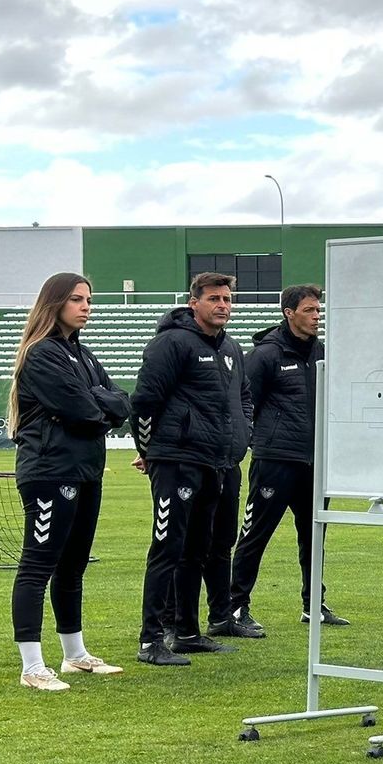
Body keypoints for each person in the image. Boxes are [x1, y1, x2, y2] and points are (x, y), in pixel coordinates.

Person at [6, 272, 130, 690]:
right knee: (37, 567)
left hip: (85, 470)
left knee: (73, 566)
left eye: (89, 300)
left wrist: (98, 403)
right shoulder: (41, 354)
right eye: (77, 299)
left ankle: (75, 656)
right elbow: (85, 410)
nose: (86, 307)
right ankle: (32, 667)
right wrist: (96, 404)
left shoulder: (84, 355)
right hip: (49, 472)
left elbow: (119, 404)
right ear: (55, 302)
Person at [131, 272, 253, 667]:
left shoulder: (231, 348)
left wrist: (243, 432)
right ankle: (151, 641)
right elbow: (144, 401)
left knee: (198, 551)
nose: (223, 305)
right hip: (177, 462)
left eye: (228, 299)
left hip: (216, 463)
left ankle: (186, 633)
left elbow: (244, 399)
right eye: (215, 298)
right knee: (167, 548)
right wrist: (150, 452)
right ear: (194, 302)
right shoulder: (171, 343)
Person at [225, 285, 349, 637]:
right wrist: (253, 442)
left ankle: (314, 605)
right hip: (276, 459)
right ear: (288, 312)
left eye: (318, 310)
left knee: (314, 536)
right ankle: (236, 605)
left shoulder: (323, 353)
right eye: (309, 310)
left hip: (316, 462)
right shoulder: (266, 355)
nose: (316, 316)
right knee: (255, 534)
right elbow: (245, 402)